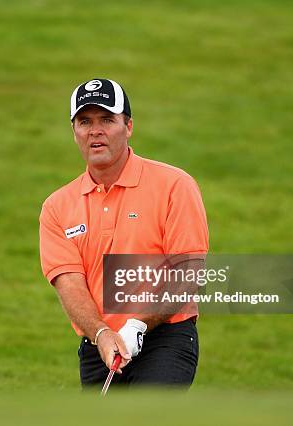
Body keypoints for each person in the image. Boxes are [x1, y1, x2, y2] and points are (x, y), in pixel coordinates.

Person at [39, 78, 209, 389]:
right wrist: (102, 333)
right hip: (99, 349)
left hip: (164, 338)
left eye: (107, 119)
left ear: (128, 126)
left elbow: (188, 272)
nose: (95, 130)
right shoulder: (57, 206)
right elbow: (70, 284)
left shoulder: (174, 185)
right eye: (85, 121)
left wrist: (138, 324)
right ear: (74, 131)